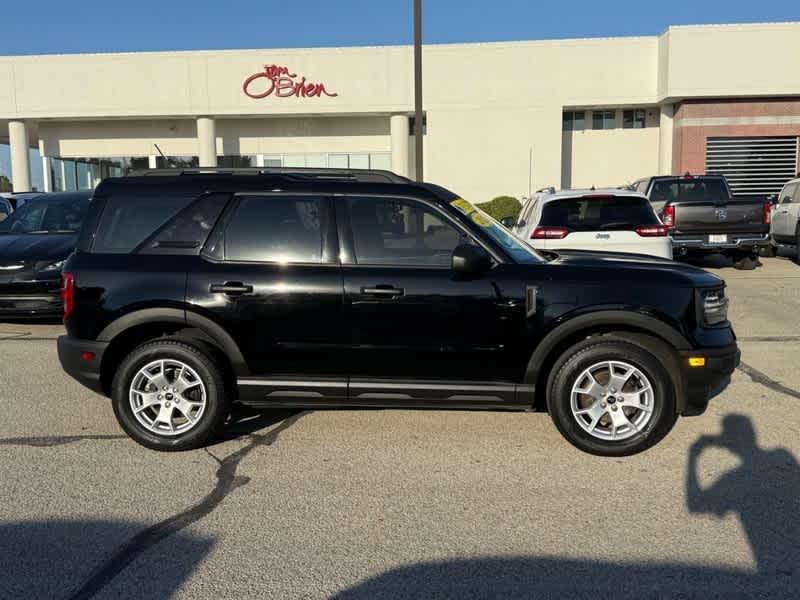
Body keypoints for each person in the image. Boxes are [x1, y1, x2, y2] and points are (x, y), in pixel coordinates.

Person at [687, 414, 800, 575]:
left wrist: (693, 456)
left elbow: (695, 504)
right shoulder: (782, 455)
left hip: (767, 562)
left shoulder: (732, 478)